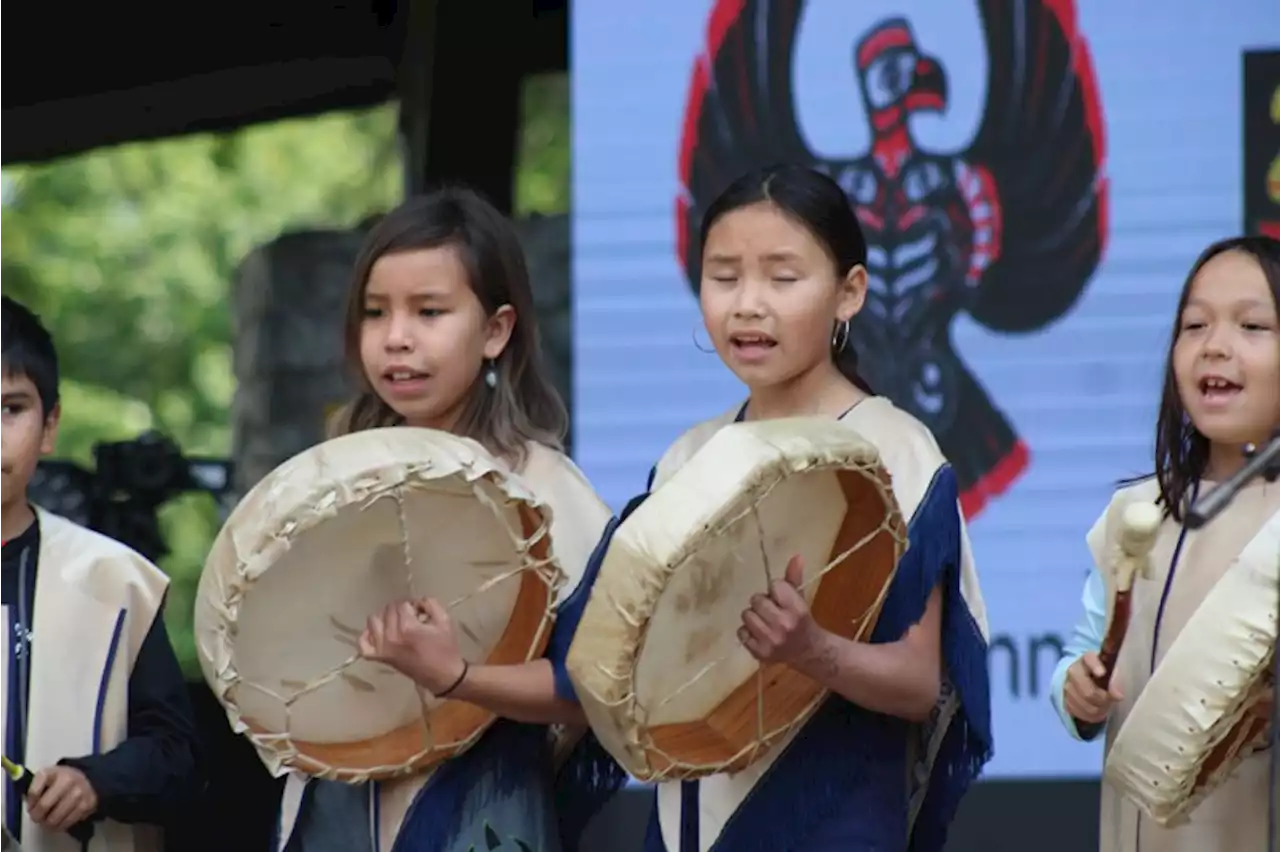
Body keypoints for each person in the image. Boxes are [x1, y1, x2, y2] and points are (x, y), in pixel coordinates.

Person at [562, 164, 993, 852]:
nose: (747, 305)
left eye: (782, 279)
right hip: (687, 818)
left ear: (849, 292)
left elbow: (918, 684)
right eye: (724, 277)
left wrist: (811, 650)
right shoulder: (690, 455)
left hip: (833, 819)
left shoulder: (897, 450)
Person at [276, 188, 625, 852]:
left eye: (429, 311)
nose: (396, 337)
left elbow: (595, 688)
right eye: (375, 313)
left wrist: (458, 678)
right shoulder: (332, 477)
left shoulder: (546, 490)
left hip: (485, 806)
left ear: (496, 330)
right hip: (338, 799)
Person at [1049, 234, 1280, 852]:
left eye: (1253, 325)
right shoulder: (1136, 512)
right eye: (1194, 325)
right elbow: (1087, 646)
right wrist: (1077, 689)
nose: (1215, 346)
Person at [0, 296, 202, 851]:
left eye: (10, 408)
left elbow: (178, 757)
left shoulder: (116, 583)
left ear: (49, 425)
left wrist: (97, 781)